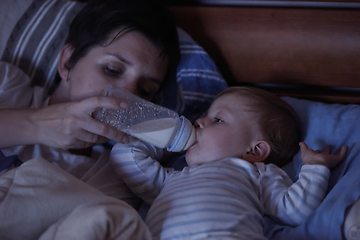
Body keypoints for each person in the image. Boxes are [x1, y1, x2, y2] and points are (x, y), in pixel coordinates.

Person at [0, 0, 180, 204]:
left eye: (144, 90)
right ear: (67, 62)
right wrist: (36, 126)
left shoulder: (111, 177)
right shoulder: (6, 85)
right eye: (112, 69)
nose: (128, 98)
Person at [110, 86, 348, 239]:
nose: (199, 121)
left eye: (219, 119)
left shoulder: (255, 173)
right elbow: (126, 156)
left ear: (254, 151)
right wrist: (165, 138)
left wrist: (315, 168)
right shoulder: (170, 179)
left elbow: (294, 210)